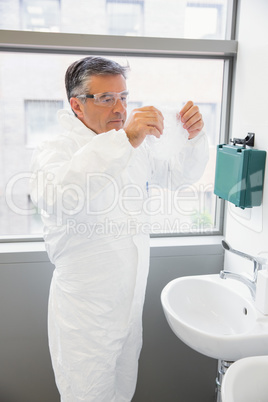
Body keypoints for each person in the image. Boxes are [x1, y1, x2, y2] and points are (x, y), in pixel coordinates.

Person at [30, 56, 209, 402]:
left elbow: (176, 175)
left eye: (124, 97)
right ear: (77, 105)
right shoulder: (56, 150)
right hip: (85, 319)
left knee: (122, 392)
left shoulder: (131, 147)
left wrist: (193, 137)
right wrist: (125, 140)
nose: (120, 108)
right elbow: (58, 196)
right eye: (107, 98)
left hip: (128, 309)